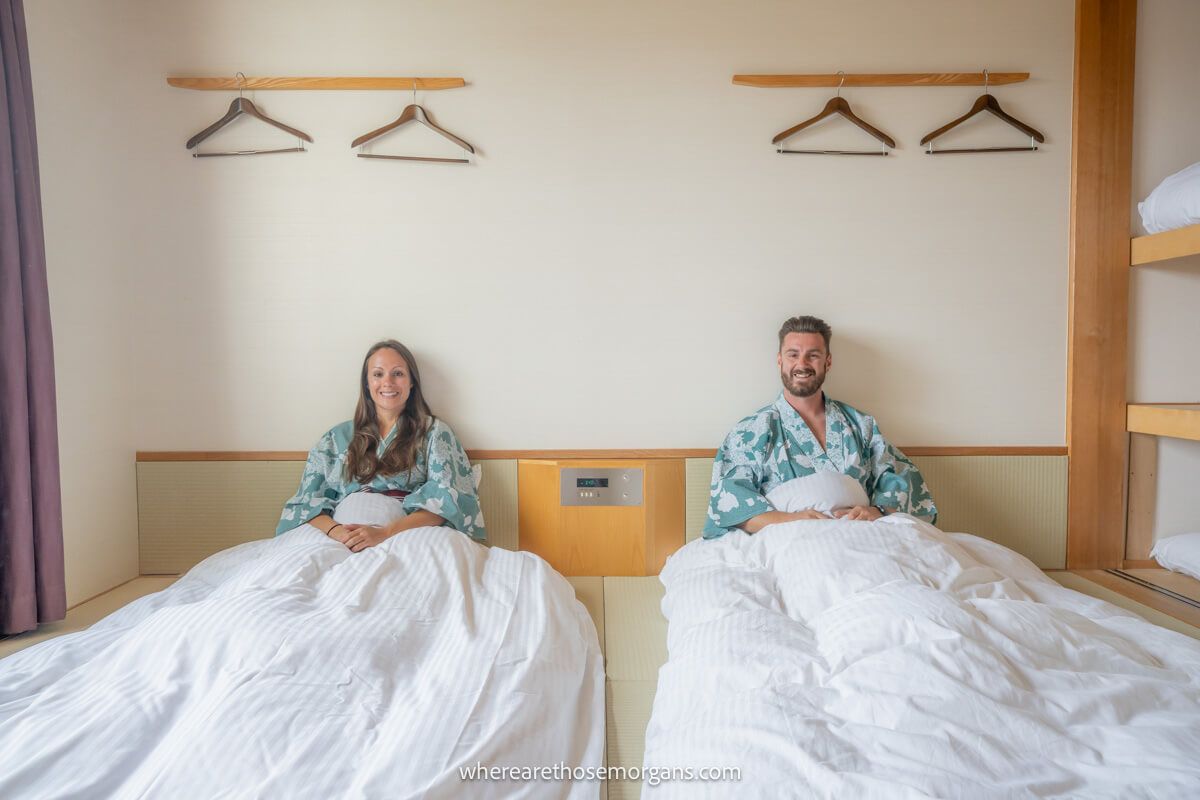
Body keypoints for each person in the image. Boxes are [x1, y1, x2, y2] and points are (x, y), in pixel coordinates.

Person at [704, 315, 936, 539]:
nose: (802, 364)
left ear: (828, 361)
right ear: (779, 360)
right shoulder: (751, 432)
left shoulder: (862, 425)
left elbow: (900, 483)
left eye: (812, 355)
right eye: (793, 354)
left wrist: (877, 511)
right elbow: (729, 508)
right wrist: (790, 519)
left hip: (863, 539)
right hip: (790, 542)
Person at [275, 339, 486, 549]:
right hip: (338, 537)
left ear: (412, 381)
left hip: (405, 536)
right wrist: (337, 532)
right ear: (367, 383)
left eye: (398, 373)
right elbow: (305, 503)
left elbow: (448, 501)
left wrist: (384, 533)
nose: (388, 382)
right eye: (378, 374)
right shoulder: (334, 438)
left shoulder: (434, 433)